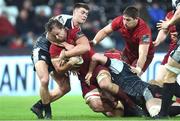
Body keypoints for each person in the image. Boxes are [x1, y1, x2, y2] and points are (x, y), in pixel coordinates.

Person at [31, 3, 90, 119]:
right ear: (74, 12)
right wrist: (64, 44)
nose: (85, 16)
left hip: (56, 53)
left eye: (87, 14)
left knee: (65, 87)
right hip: (42, 48)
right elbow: (49, 34)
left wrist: (70, 61)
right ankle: (48, 112)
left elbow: (76, 48)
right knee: (44, 80)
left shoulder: (77, 30)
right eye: (82, 12)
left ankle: (39, 106)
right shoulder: (62, 19)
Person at [92, 6, 154, 76]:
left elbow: (143, 53)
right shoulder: (120, 20)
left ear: (136, 19)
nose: (124, 22)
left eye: (128, 20)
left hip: (143, 56)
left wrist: (138, 68)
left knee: (131, 77)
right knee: (119, 74)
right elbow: (105, 31)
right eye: (124, 19)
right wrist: (94, 42)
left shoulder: (145, 32)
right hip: (128, 52)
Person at [153, 0, 180, 118]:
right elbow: (164, 30)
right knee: (163, 79)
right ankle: (164, 112)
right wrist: (157, 42)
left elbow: (177, 15)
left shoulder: (175, 14)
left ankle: (163, 113)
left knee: (168, 78)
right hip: (175, 49)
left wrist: (169, 23)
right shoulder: (170, 14)